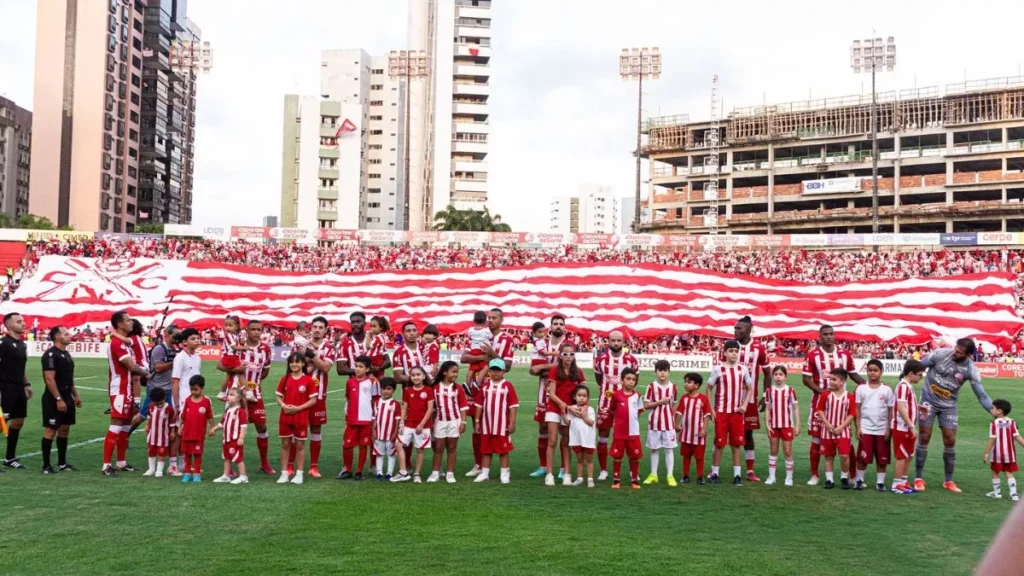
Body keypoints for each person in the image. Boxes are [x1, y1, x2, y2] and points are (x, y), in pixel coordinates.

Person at [915, 338, 998, 493]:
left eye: (959, 352)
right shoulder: (939, 354)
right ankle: (918, 478)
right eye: (955, 348)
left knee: (950, 440)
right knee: (924, 436)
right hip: (928, 401)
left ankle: (949, 481)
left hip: (949, 406)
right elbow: (917, 366)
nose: (955, 352)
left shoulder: (970, 369)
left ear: (968, 355)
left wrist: (996, 413)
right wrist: (903, 380)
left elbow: (982, 396)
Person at [802, 325, 865, 485]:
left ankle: (851, 476)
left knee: (846, 441)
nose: (829, 337)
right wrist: (823, 392)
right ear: (820, 337)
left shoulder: (845, 354)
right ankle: (815, 475)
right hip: (820, 405)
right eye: (825, 334)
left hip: (842, 405)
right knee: (817, 439)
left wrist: (868, 385)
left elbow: (853, 374)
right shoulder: (812, 355)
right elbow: (806, 379)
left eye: (831, 334)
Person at [461, 308, 514, 478]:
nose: (490, 320)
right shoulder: (478, 334)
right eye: (489, 317)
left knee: (499, 427)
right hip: (476, 389)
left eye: (494, 318)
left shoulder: (506, 339)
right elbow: (463, 358)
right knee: (477, 428)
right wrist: (481, 359)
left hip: (497, 390)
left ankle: (503, 469)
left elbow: (507, 366)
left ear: (501, 320)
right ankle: (478, 464)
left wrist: (492, 354)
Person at [220, 319, 274, 475]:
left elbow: (265, 372)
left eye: (259, 329)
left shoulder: (265, 349)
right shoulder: (238, 345)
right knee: (231, 429)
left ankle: (264, 463)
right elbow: (220, 364)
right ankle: (229, 468)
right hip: (235, 394)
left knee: (262, 426)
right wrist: (237, 370)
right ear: (247, 331)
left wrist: (253, 382)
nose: (256, 332)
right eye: (253, 329)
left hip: (254, 394)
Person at [102, 311, 150, 476]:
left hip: (128, 388)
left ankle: (121, 462)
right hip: (120, 390)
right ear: (120, 324)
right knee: (116, 424)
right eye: (128, 320)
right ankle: (106, 465)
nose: (131, 323)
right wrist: (146, 373)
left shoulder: (125, 342)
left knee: (126, 425)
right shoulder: (117, 344)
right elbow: (132, 367)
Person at [726, 316, 772, 482]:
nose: (736, 331)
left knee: (748, 433)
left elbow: (768, 373)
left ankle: (750, 470)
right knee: (724, 433)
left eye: (739, 329)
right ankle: (715, 469)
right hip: (729, 399)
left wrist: (766, 394)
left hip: (750, 399)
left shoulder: (759, 348)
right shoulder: (729, 346)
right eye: (735, 328)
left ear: (749, 330)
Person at [592, 329, 638, 481]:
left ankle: (631, 471)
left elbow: (634, 380)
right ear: (608, 341)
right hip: (605, 403)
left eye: (619, 340)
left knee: (627, 436)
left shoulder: (631, 360)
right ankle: (604, 470)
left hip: (624, 405)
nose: (616, 343)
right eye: (613, 340)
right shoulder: (601, 359)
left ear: (623, 342)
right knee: (603, 435)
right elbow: (599, 379)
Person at [707, 339, 753, 486]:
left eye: (736, 351)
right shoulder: (718, 369)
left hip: (737, 413)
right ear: (725, 352)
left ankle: (737, 475)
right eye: (731, 351)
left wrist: (744, 405)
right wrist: (712, 409)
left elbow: (750, 388)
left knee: (736, 444)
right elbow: (709, 388)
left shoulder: (743, 369)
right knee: (719, 443)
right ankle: (714, 473)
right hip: (721, 412)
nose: (734, 354)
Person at [527, 315, 567, 478]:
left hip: (563, 391)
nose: (558, 326)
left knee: (564, 429)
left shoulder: (568, 345)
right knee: (543, 427)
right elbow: (532, 368)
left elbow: (564, 365)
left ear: (565, 327)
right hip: (544, 390)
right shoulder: (542, 342)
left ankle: (564, 468)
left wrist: (543, 367)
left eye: (561, 324)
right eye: (555, 324)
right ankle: (543, 466)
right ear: (550, 327)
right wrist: (540, 369)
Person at [39, 326, 81, 474]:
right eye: (65, 333)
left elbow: (70, 379)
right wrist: (58, 399)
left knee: (64, 429)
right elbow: (49, 380)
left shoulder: (67, 354)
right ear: (57, 337)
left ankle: (62, 464)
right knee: (51, 429)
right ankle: (46, 466)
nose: (69, 335)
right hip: (53, 398)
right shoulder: (50, 355)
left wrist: (75, 396)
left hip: (67, 396)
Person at [298, 316, 336, 478]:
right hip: (300, 394)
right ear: (311, 328)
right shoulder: (301, 344)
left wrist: (311, 356)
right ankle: (292, 465)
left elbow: (325, 368)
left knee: (315, 429)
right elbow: (297, 366)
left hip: (319, 395)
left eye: (321, 327)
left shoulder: (329, 348)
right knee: (297, 429)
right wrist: (311, 361)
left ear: (325, 330)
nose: (317, 330)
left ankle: (314, 466)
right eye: (315, 327)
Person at [544, 342, 586, 486]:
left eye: (571, 354)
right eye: (565, 354)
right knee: (552, 440)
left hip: (570, 410)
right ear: (561, 356)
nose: (568, 357)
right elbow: (552, 394)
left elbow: (583, 392)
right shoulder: (555, 371)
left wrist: (578, 408)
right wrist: (564, 405)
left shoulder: (578, 372)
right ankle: (549, 474)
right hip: (555, 408)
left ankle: (567, 473)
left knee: (567, 441)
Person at [471, 358, 518, 484]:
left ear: (504, 371)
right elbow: (479, 405)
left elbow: (513, 405)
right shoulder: (485, 386)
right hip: (486, 424)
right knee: (486, 449)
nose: (495, 373)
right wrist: (476, 421)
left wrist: (512, 422)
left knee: (503, 450)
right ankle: (485, 473)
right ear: (489, 371)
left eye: (498, 370)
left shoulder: (507, 386)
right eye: (493, 370)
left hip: (502, 425)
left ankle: (504, 472)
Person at [128, 324, 179, 438]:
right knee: (142, 416)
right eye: (175, 335)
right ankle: (124, 435)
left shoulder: (174, 349)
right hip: (156, 388)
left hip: (168, 388)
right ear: (167, 334)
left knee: (172, 415)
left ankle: (168, 445)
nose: (178, 337)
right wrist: (175, 362)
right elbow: (158, 367)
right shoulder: (160, 349)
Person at [276, 353, 317, 485]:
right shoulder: (285, 379)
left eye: (297, 362)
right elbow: (278, 397)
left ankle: (299, 474)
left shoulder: (308, 380)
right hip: (285, 416)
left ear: (303, 364)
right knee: (285, 444)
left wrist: (298, 408)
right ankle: (284, 473)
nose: (294, 364)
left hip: (301, 417)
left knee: (300, 445)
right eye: (292, 362)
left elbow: (313, 400)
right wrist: (283, 405)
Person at [854, 359, 894, 491]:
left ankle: (880, 482)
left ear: (881, 372)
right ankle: (859, 481)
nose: (872, 373)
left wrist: (889, 429)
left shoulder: (887, 390)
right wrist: (858, 427)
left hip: (882, 429)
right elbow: (857, 409)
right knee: (862, 457)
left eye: (875, 370)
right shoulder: (861, 388)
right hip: (866, 428)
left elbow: (890, 411)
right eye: (870, 370)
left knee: (882, 458)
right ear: (867, 371)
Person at [815, 368, 857, 490]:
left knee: (844, 455)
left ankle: (844, 477)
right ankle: (829, 479)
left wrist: (841, 427)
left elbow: (852, 414)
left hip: (843, 431)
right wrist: (827, 424)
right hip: (827, 431)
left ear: (842, 381)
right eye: (830, 379)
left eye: (834, 379)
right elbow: (820, 410)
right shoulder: (825, 395)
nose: (831, 382)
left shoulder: (849, 396)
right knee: (828, 456)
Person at [392, 366, 435, 483]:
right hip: (409, 424)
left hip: (423, 426)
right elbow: (404, 407)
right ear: (410, 377)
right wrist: (401, 423)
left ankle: (417, 474)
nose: (415, 377)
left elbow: (430, 409)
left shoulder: (428, 390)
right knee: (398, 444)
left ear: (424, 376)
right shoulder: (407, 390)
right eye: (413, 375)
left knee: (420, 449)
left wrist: (421, 424)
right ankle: (403, 472)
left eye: (418, 375)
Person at [169, 327, 203, 476]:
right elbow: (175, 381)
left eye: (197, 338)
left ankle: (185, 464)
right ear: (184, 342)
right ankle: (172, 465)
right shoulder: (180, 358)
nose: (196, 341)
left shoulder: (197, 358)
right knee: (177, 431)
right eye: (193, 339)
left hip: (193, 399)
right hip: (182, 399)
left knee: (188, 432)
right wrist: (176, 404)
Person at [427, 361, 467, 483]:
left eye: (457, 372)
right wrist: (432, 422)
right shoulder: (435, 387)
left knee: (452, 447)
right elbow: (432, 407)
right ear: (444, 372)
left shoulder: (458, 388)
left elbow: (463, 406)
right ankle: (435, 473)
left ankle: (450, 473)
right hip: (440, 421)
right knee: (438, 448)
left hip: (454, 421)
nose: (456, 374)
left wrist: (463, 422)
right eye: (453, 371)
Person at [0, 312, 31, 470]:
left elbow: (21, 367)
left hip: (19, 388)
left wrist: (26, 384)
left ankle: (10, 458)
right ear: (10, 325)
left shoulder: (22, 344)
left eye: (23, 321)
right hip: (5, 388)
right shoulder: (3, 343)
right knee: (1, 423)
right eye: (19, 322)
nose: (24, 324)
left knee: (18, 422)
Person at [339, 355, 376, 480]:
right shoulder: (350, 382)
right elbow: (348, 399)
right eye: (356, 366)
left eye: (361, 367)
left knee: (363, 445)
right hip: (352, 419)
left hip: (366, 419)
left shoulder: (372, 382)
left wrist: (374, 419)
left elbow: (375, 401)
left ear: (367, 369)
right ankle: (347, 469)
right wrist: (347, 416)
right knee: (347, 445)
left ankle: (359, 471)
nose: (358, 369)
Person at [891, 359, 925, 493]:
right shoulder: (903, 386)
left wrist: (918, 407)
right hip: (902, 427)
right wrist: (911, 426)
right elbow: (900, 407)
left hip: (907, 427)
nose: (920, 377)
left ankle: (903, 481)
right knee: (901, 456)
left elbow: (906, 405)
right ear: (911, 373)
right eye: (919, 375)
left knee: (909, 455)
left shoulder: (907, 386)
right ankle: (896, 484)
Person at [607, 368, 644, 490]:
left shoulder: (638, 395)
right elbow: (612, 409)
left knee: (634, 456)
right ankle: (616, 479)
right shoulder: (616, 395)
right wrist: (617, 422)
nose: (631, 382)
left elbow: (639, 411)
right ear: (622, 380)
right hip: (620, 432)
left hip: (633, 432)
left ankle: (634, 480)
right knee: (617, 456)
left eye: (634, 379)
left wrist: (632, 422)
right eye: (628, 379)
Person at [643, 359, 678, 486]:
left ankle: (670, 475)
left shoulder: (673, 387)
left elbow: (674, 404)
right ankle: (654, 474)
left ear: (669, 372)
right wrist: (660, 402)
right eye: (660, 371)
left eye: (665, 371)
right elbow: (646, 405)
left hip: (668, 424)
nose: (662, 373)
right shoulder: (651, 387)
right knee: (654, 449)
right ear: (655, 372)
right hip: (654, 423)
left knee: (669, 449)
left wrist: (671, 417)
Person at [764, 365, 799, 486]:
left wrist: (797, 425)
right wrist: (767, 424)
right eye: (776, 374)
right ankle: (771, 476)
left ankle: (789, 478)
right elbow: (767, 409)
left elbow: (795, 408)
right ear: (773, 376)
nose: (778, 377)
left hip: (787, 425)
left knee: (788, 451)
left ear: (785, 377)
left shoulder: (790, 390)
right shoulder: (769, 391)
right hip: (773, 425)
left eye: (781, 375)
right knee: (773, 450)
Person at [984, 399, 1023, 501]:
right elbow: (1018, 437)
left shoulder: (994, 424)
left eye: (993, 408)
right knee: (1009, 472)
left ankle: (997, 493)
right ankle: (1014, 494)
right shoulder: (1012, 422)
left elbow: (992, 439)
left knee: (995, 471)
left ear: (999, 411)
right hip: (1009, 454)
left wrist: (987, 453)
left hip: (997, 454)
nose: (991, 409)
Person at [676, 373, 712, 484]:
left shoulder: (703, 399)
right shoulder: (684, 398)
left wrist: (704, 429)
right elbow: (679, 412)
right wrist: (676, 424)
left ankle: (700, 476)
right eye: (685, 382)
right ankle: (685, 475)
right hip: (686, 433)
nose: (686, 384)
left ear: (696, 385)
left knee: (699, 456)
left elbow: (707, 415)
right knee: (686, 456)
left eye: (689, 382)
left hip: (699, 434)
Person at [178, 375, 214, 483]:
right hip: (187, 433)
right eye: (191, 389)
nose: (193, 392)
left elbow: (210, 416)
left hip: (198, 434)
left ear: (202, 389)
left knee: (197, 455)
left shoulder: (206, 402)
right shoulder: (188, 400)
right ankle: (187, 473)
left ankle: (197, 473)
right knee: (187, 454)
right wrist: (180, 427)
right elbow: (183, 416)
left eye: (196, 389)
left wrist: (212, 428)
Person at [210, 387, 248, 484]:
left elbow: (243, 426)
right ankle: (226, 476)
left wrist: (241, 438)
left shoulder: (240, 411)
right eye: (228, 395)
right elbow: (222, 423)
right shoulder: (228, 410)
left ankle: (243, 476)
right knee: (226, 458)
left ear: (238, 399)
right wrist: (214, 428)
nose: (229, 397)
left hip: (235, 439)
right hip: (226, 439)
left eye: (232, 395)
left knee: (238, 458)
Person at [567, 385, 597, 488]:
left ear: (588, 398)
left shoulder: (590, 409)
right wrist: (563, 412)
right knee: (579, 460)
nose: (581, 398)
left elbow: (591, 422)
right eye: (579, 395)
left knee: (589, 460)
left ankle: (590, 479)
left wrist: (583, 415)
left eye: (584, 396)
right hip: (577, 439)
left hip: (588, 439)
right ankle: (579, 478)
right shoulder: (572, 409)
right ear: (575, 397)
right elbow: (567, 422)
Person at [372, 377, 400, 481]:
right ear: (380, 389)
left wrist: (395, 433)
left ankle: (389, 473)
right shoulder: (376, 403)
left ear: (393, 390)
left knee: (391, 454)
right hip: (379, 434)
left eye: (389, 389)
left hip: (390, 434)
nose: (386, 391)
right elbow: (374, 418)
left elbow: (397, 420)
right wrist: (373, 431)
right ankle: (379, 473)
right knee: (379, 454)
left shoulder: (395, 404)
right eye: (384, 389)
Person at [143, 387, 175, 477]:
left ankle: (159, 471)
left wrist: (172, 431)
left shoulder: (169, 408)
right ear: (153, 401)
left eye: (161, 403)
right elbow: (149, 417)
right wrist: (146, 425)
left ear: (164, 398)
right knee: (151, 452)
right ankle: (151, 469)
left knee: (161, 453)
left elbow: (172, 421)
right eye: (157, 404)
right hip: (152, 435)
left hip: (163, 436)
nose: (160, 405)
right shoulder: (151, 407)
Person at [217, 315, 248, 400]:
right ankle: (248, 392)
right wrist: (244, 348)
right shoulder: (229, 336)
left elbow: (238, 345)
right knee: (241, 373)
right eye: (226, 325)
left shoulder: (235, 336)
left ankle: (222, 393)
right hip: (230, 357)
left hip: (231, 357)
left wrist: (242, 344)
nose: (227, 328)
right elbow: (234, 347)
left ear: (237, 327)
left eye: (230, 325)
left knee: (228, 375)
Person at [464, 311, 493, 387]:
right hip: (482, 350)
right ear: (485, 321)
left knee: (471, 369)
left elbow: (470, 336)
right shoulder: (486, 330)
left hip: (473, 350)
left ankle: (467, 384)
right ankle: (477, 382)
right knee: (486, 367)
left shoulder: (470, 330)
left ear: (474, 321)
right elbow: (490, 337)